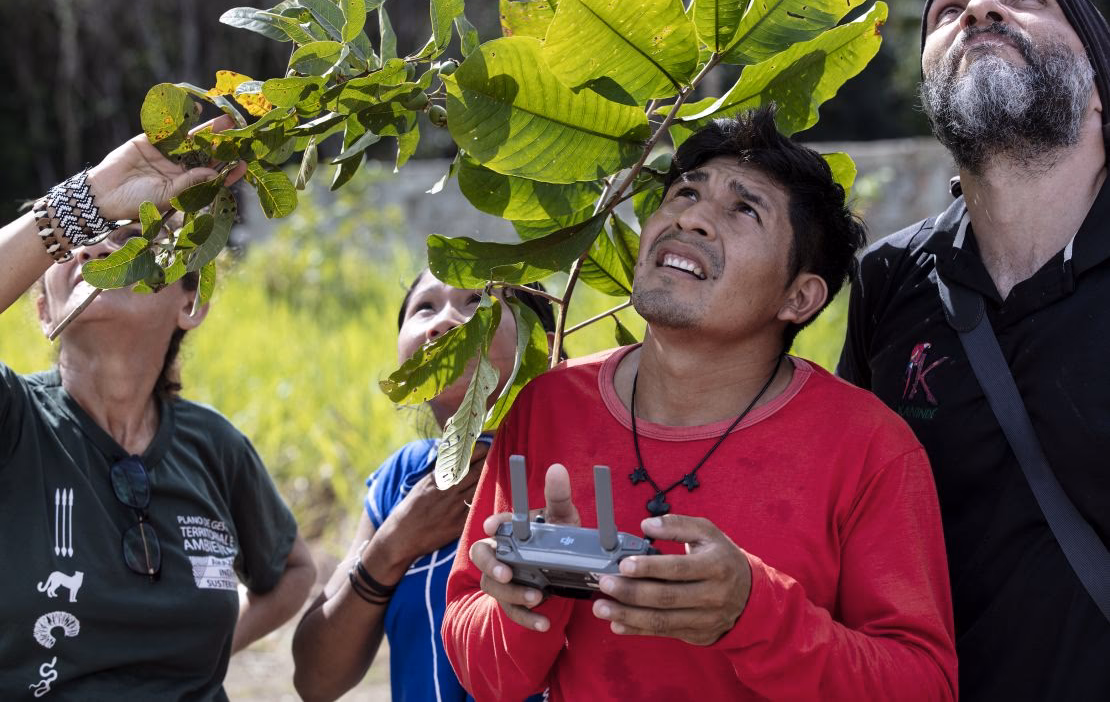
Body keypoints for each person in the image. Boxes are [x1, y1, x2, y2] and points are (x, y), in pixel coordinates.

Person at [441, 107, 958, 701]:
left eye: (744, 209)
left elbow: (925, 685)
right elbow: (484, 675)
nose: (692, 218)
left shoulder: (869, 447)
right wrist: (534, 590)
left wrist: (754, 613)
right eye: (686, 192)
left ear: (798, 297)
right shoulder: (549, 406)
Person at [837, 0, 1110, 698]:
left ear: (1098, 82)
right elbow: (840, 512)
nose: (980, 9)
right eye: (947, 10)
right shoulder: (886, 279)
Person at [0, 118, 315, 699]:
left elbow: (294, 571)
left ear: (190, 302)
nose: (94, 246)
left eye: (130, 237)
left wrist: (198, 661)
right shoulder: (15, 422)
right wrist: (86, 201)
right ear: (44, 313)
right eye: (69, 247)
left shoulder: (213, 446)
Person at [292, 270, 557, 702]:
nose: (442, 321)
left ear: (545, 346)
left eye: (476, 301)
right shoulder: (401, 480)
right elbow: (315, 681)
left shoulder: (579, 467)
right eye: (425, 307)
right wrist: (395, 542)